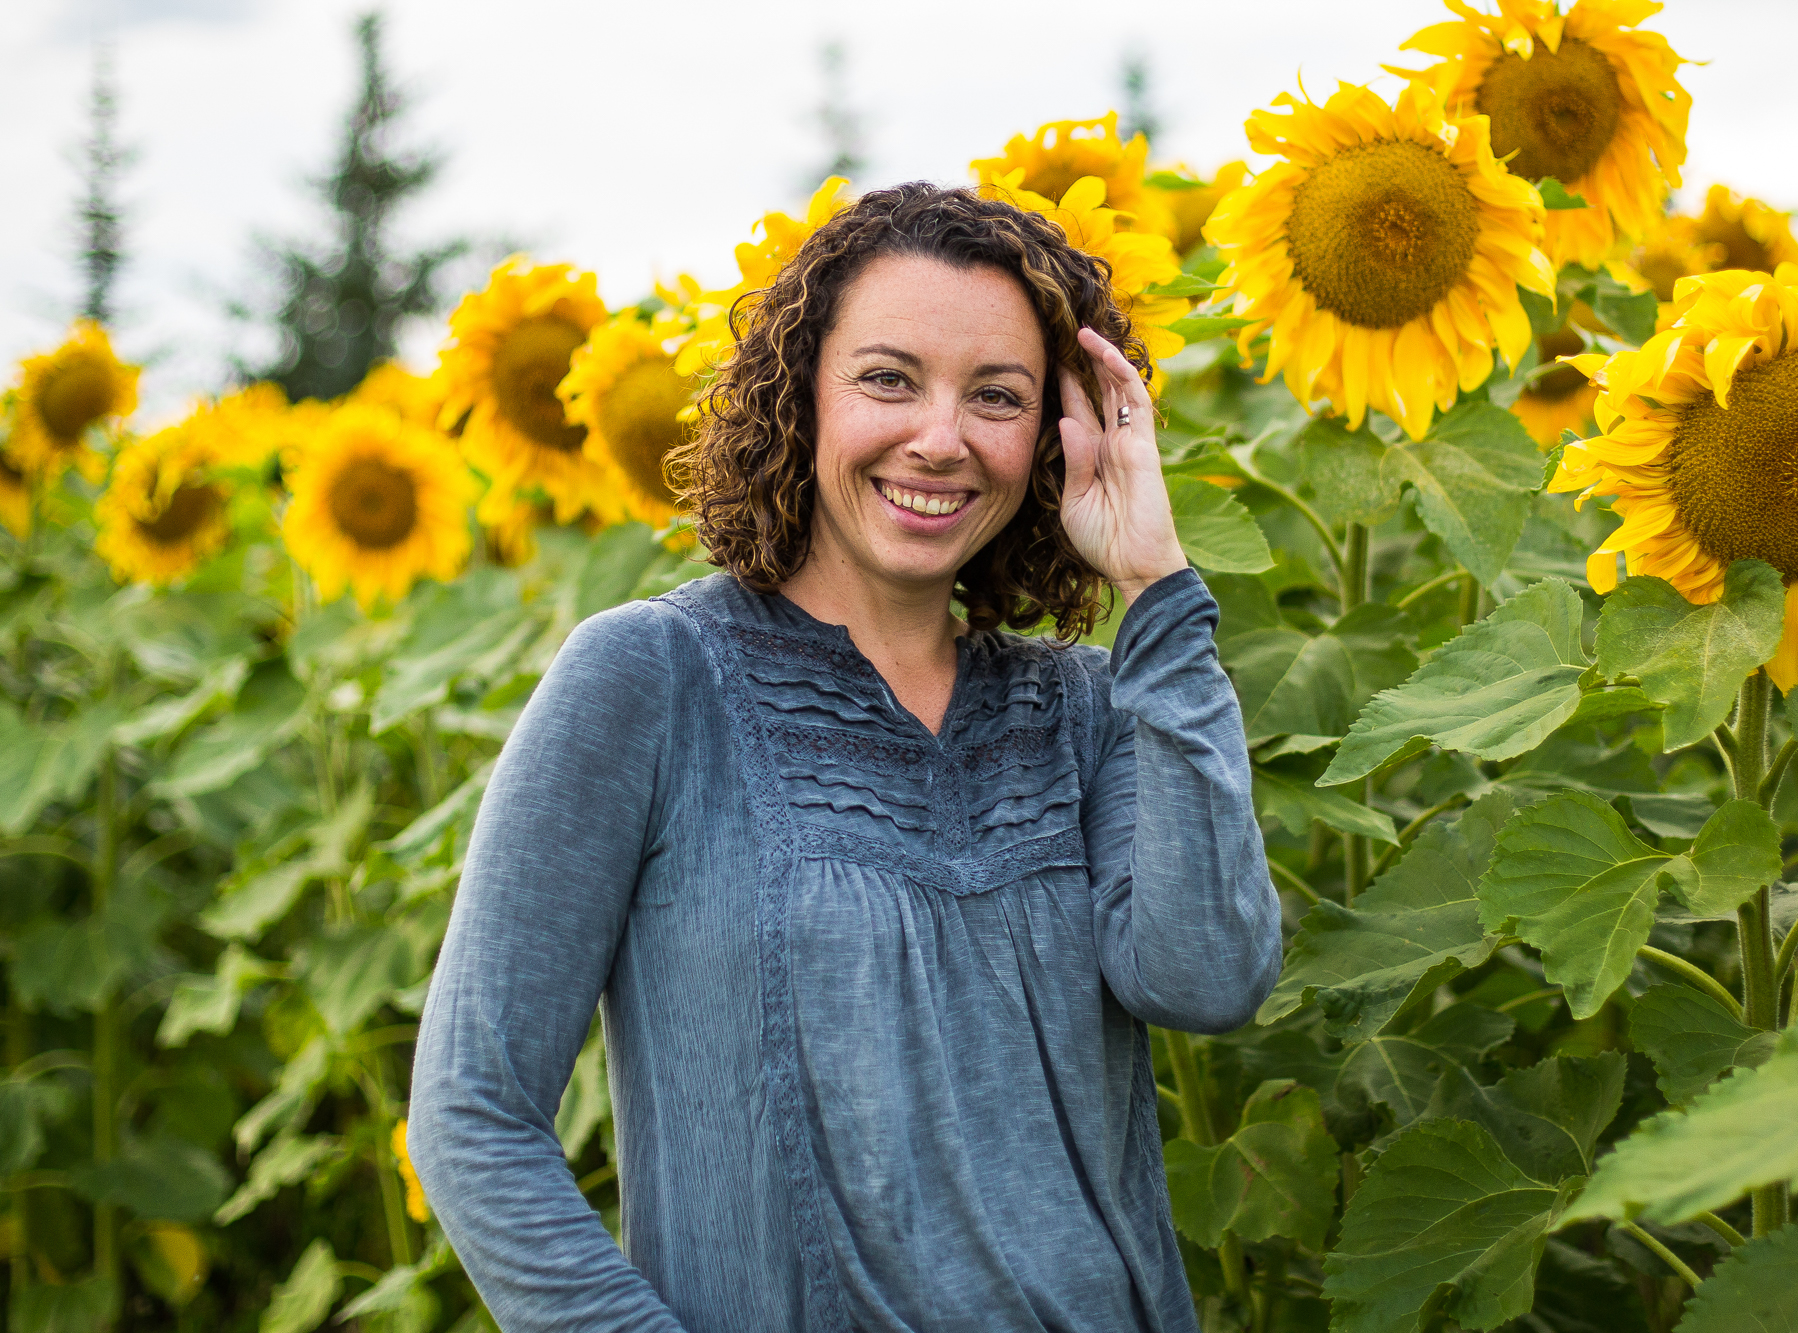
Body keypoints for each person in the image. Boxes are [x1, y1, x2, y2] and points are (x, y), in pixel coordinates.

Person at [407, 182, 1281, 1332]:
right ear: (801, 394)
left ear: (1055, 441)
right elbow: (473, 1112)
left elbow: (1208, 977)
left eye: (997, 397)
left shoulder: (1086, 708)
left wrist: (1155, 588)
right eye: (888, 378)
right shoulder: (649, 679)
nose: (940, 437)